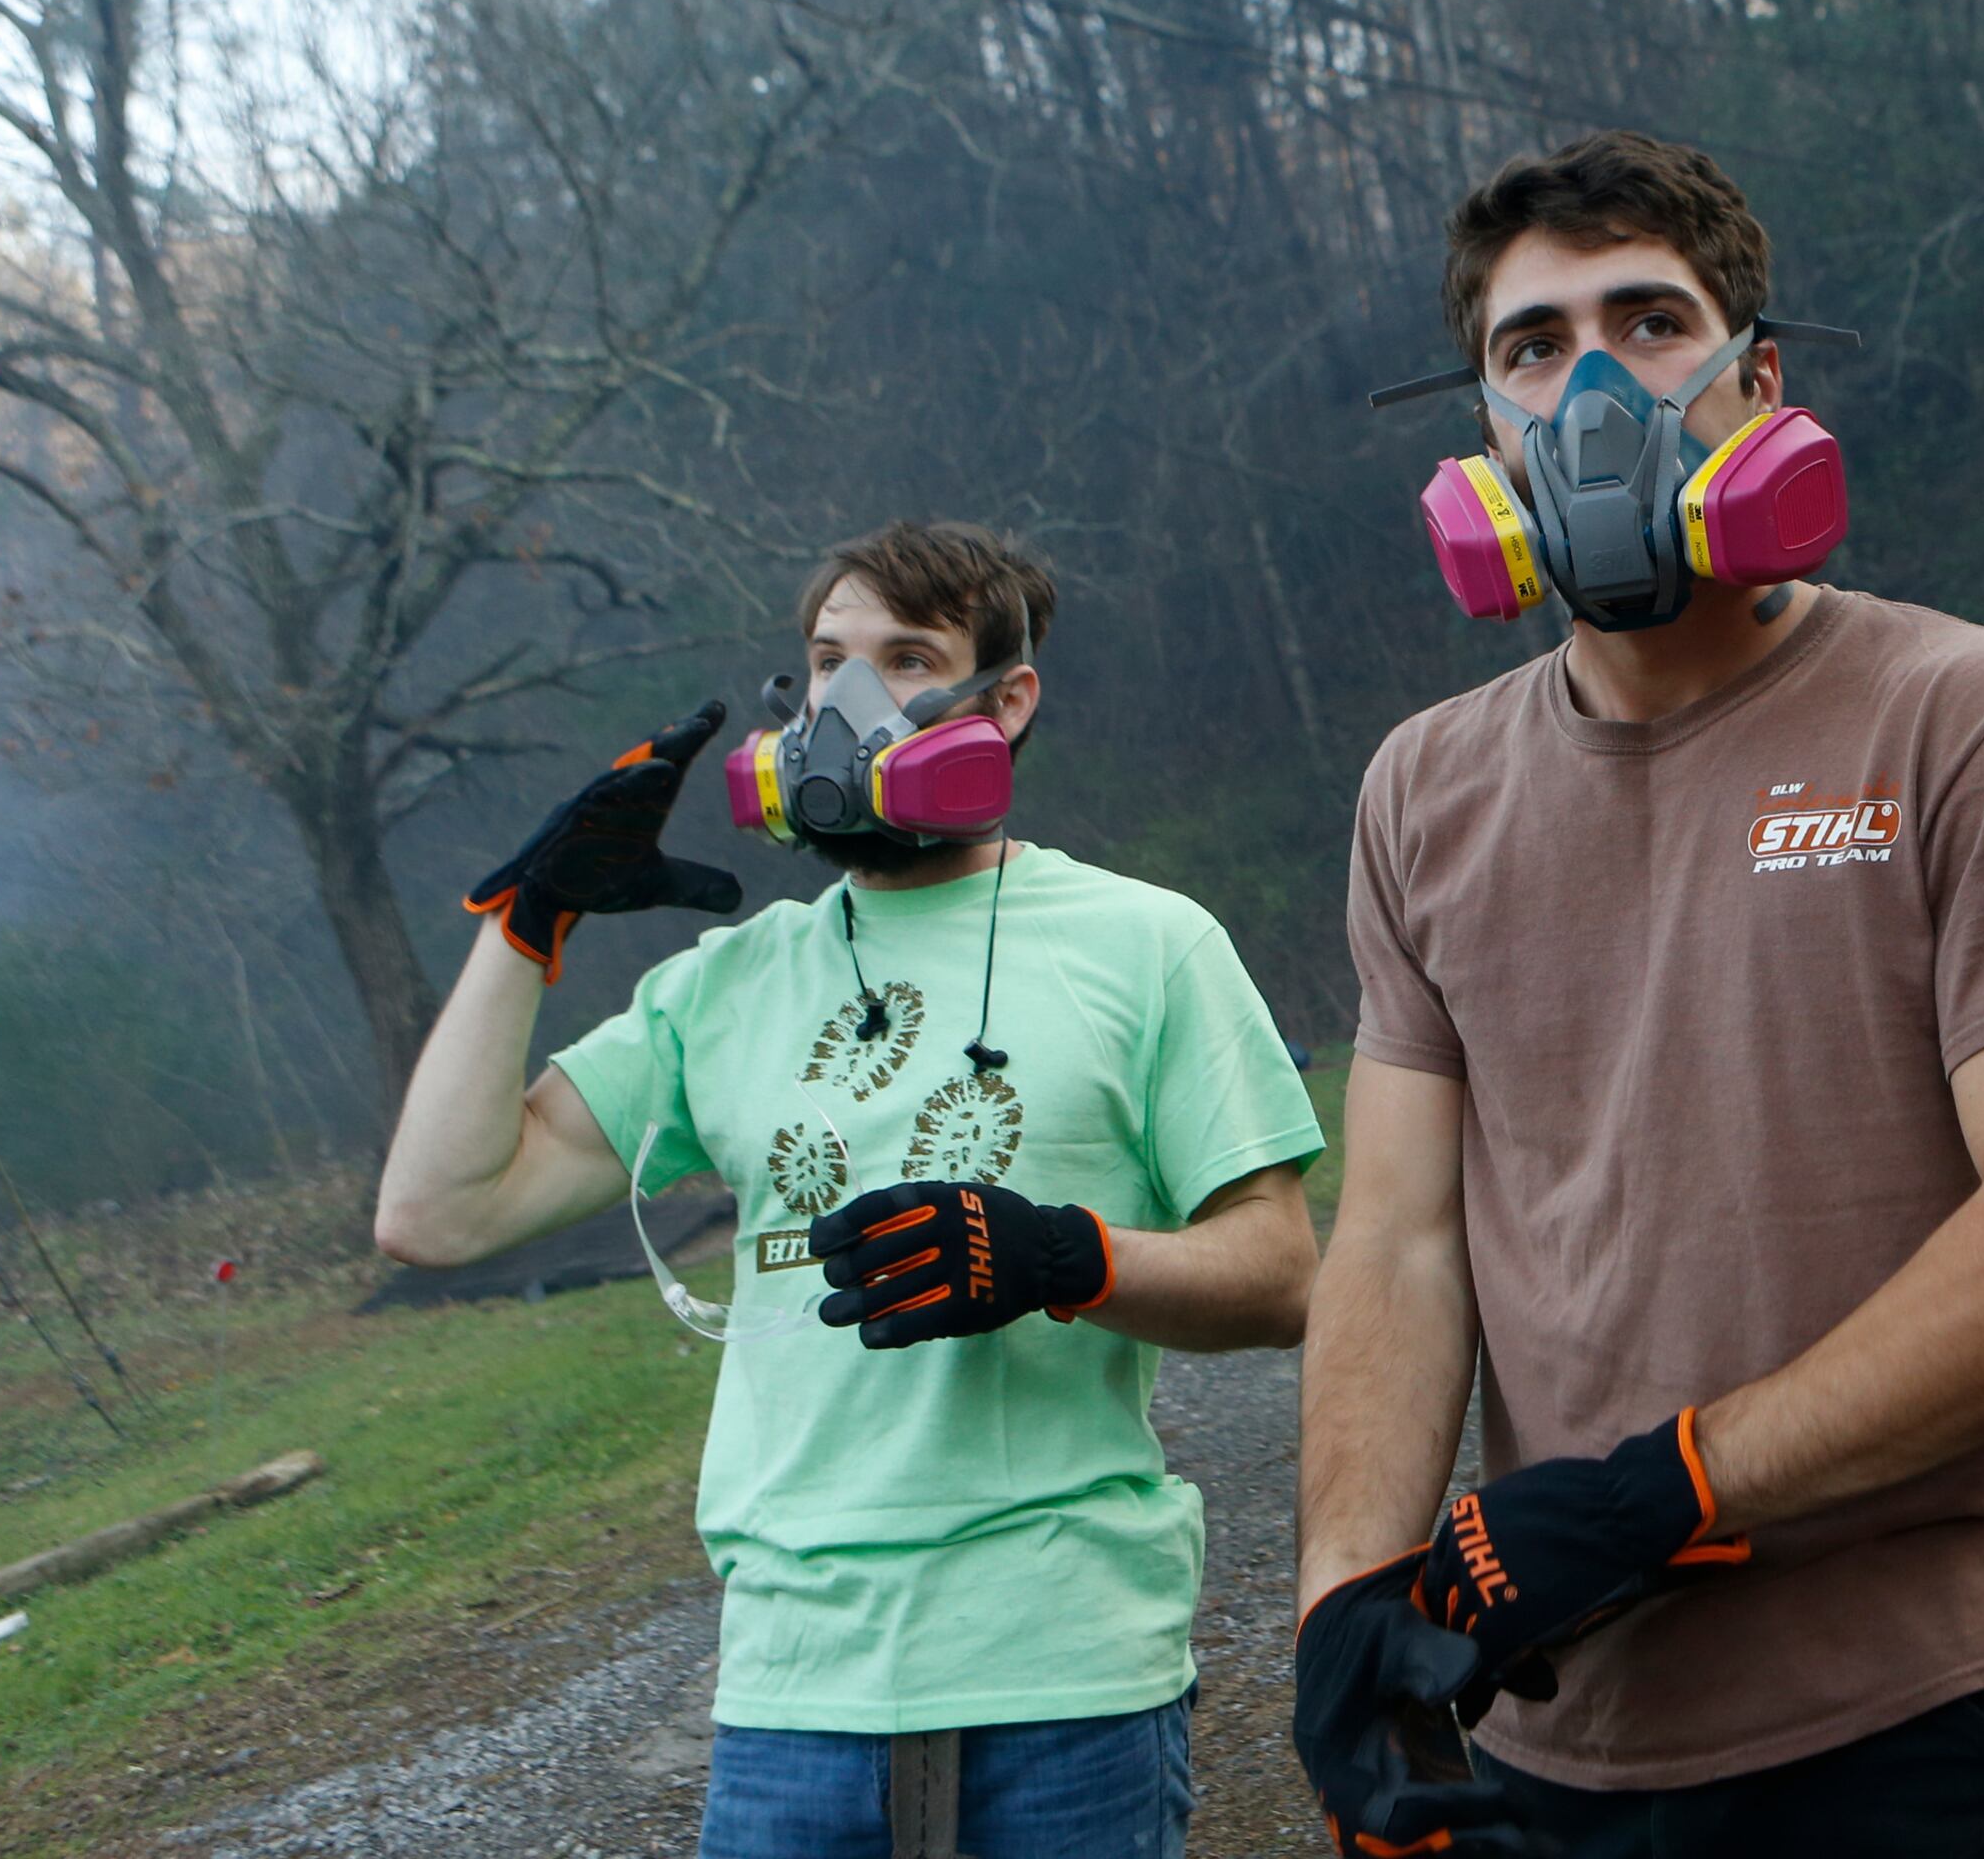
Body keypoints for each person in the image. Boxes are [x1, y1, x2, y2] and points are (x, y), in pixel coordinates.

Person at [1291, 131, 1984, 1858]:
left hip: (1940, 1739)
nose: (1591, 390)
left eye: (1648, 322)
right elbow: (1396, 1242)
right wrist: (1350, 1605)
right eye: (1531, 346)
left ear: (1758, 378)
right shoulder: (1419, 791)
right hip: (1556, 1769)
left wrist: (1670, 1489)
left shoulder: (1969, 716)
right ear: (1483, 436)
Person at [375, 520, 1324, 1859]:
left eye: (906, 657)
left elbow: (1283, 1276)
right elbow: (437, 1211)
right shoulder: (728, 985)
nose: (852, 699)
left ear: (1007, 700)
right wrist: (528, 925)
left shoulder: (1150, 946)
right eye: (828, 661)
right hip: (789, 1698)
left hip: (1065, 1678)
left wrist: (1067, 1259)